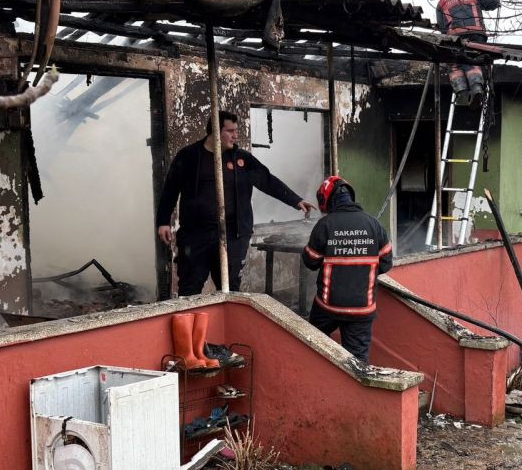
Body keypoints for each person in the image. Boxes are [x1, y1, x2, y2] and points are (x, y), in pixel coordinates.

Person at [156, 111, 315, 296]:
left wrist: (295, 200)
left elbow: (267, 180)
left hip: (233, 235)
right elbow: (170, 189)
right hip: (195, 236)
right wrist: (163, 221)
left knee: (230, 290)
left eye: (236, 130)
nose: (235, 135)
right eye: (230, 131)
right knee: (189, 290)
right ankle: (192, 324)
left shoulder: (242, 160)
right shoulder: (188, 156)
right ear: (215, 131)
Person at [302, 176, 393, 363]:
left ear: (326, 200)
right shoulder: (374, 225)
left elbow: (310, 262)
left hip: (327, 307)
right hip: (362, 308)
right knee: (358, 362)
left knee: (313, 347)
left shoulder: (325, 225)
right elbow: (385, 264)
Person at [436, 0, 500, 105]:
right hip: (477, 34)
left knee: (454, 64)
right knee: (473, 60)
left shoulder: (441, 3)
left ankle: (462, 93)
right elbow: (492, 2)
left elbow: (442, 27)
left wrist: (447, 41)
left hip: (455, 37)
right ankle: (476, 88)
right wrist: (497, 3)